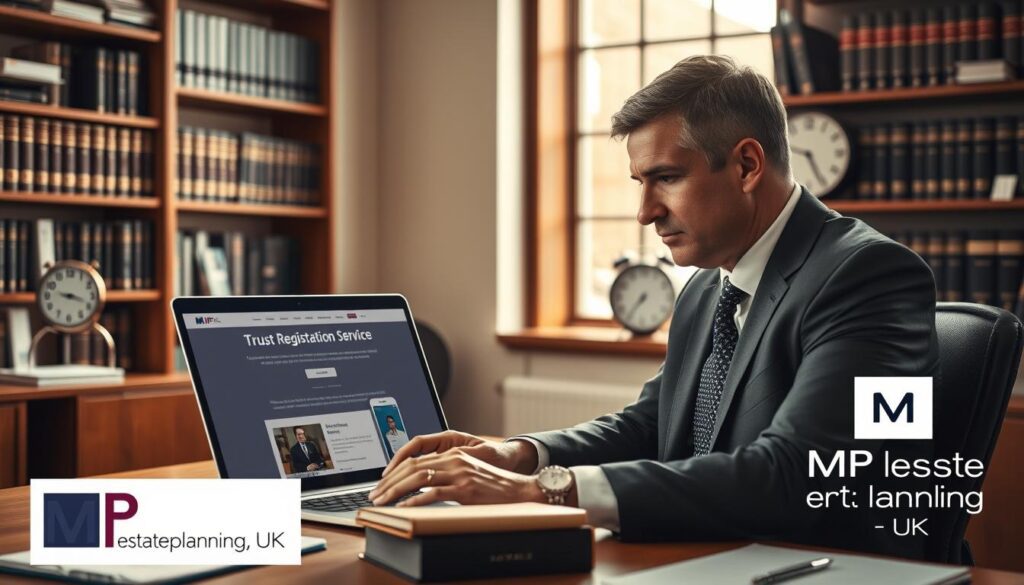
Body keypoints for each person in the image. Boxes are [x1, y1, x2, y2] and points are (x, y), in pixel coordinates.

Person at [369, 55, 939, 560]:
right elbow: (651, 425)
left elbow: (795, 476)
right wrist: (519, 455)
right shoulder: (708, 287)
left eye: (665, 178)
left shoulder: (868, 276)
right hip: (713, 556)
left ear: (746, 166)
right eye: (640, 182)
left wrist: (546, 490)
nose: (645, 213)